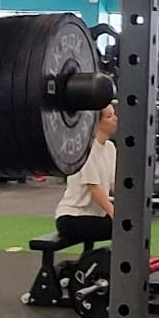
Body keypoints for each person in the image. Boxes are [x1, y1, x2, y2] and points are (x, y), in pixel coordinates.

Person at [53, 102, 117, 250]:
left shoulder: (110, 148)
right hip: (72, 218)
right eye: (109, 116)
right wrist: (115, 214)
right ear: (97, 122)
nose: (115, 119)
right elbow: (94, 189)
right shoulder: (87, 150)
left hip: (95, 216)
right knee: (124, 227)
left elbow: (114, 185)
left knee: (128, 224)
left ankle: (93, 266)